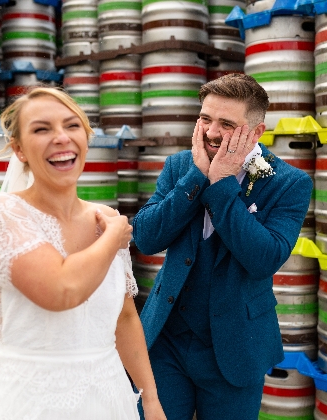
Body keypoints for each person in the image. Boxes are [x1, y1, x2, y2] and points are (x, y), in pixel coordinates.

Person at [0, 87, 166, 420]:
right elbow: (61, 291)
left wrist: (150, 400)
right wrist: (114, 237)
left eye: (71, 125)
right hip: (29, 403)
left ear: (86, 138)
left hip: (108, 399)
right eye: (41, 129)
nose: (61, 137)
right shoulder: (3, 213)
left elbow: (124, 317)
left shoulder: (104, 218)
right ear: (19, 150)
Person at [132, 74, 313, 419]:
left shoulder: (289, 183)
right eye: (205, 119)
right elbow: (146, 238)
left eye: (226, 124)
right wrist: (195, 178)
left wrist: (222, 184)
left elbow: (264, 258)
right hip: (166, 340)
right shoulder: (179, 166)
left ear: (256, 132)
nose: (211, 133)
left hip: (236, 347)